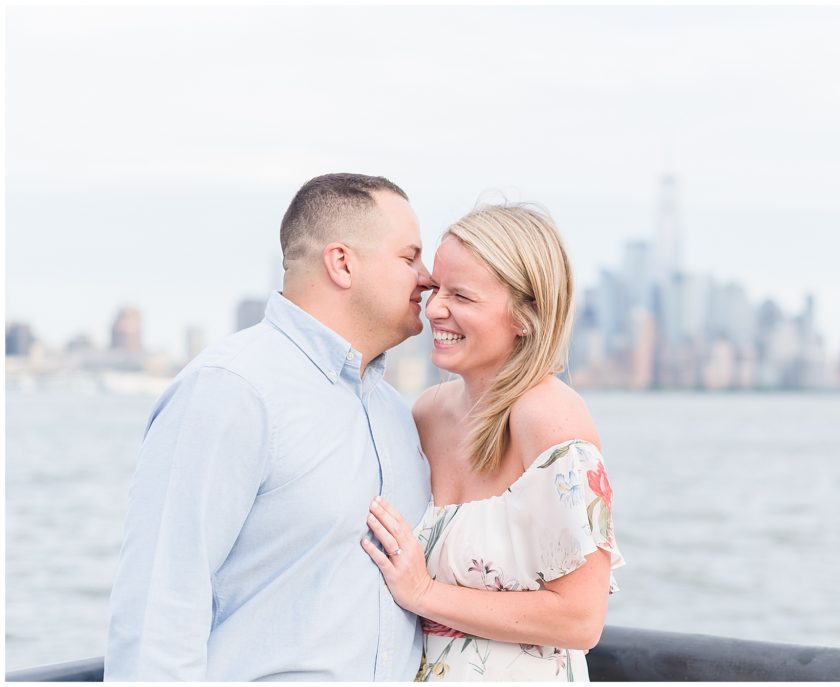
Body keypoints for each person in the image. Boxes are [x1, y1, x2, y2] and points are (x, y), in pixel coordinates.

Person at [105, 173, 434, 680]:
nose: (428, 276)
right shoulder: (232, 391)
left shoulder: (396, 414)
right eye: (409, 257)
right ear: (342, 263)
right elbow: (158, 608)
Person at [362, 204, 625, 681]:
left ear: (525, 317)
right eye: (436, 287)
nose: (436, 306)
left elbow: (582, 619)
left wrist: (424, 593)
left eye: (461, 295)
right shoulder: (426, 412)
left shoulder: (551, 417)